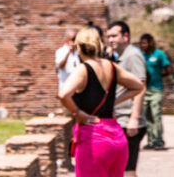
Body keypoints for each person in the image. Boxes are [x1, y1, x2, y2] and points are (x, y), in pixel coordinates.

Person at [59, 27, 145, 177]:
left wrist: (78, 113)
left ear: (79, 47)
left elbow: (64, 94)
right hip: (117, 138)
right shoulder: (111, 66)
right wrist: (114, 102)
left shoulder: (83, 69)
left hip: (94, 139)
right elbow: (137, 86)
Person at [105, 21, 147, 177]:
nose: (111, 40)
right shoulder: (120, 56)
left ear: (125, 36)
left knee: (128, 171)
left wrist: (134, 118)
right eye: (108, 36)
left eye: (114, 36)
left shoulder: (133, 55)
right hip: (120, 119)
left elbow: (141, 87)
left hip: (129, 120)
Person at [138, 33, 171, 150]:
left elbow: (168, 69)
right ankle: (151, 140)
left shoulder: (159, 54)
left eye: (144, 43)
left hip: (156, 89)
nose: (142, 45)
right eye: (141, 43)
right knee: (147, 116)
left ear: (150, 43)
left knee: (156, 114)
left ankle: (159, 140)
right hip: (144, 90)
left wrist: (158, 76)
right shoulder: (140, 55)